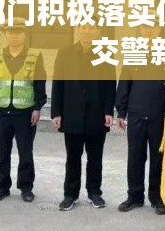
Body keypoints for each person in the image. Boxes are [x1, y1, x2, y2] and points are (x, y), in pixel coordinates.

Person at [115, 18, 165, 216]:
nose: (149, 30)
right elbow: (124, 84)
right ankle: (134, 196)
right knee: (135, 157)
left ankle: (157, 198)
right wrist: (121, 112)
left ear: (159, 29)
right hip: (136, 114)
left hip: (159, 115)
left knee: (158, 159)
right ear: (140, 29)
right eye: (145, 26)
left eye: (153, 26)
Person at [51, 21, 116, 211]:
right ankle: (70, 195)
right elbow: (58, 84)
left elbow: (110, 85)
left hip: (96, 115)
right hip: (72, 114)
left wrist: (108, 111)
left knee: (95, 158)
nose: (87, 31)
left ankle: (94, 192)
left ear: (98, 30)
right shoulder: (65, 53)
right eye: (84, 27)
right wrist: (56, 112)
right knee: (73, 157)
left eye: (91, 28)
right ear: (78, 29)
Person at [0, 17, 47, 204]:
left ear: (25, 34)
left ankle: (26, 188)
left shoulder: (35, 56)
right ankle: (2, 187)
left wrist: (37, 107)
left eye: (18, 32)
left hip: (25, 112)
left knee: (25, 151)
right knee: (2, 152)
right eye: (10, 32)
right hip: (2, 112)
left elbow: (39, 83)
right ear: (5, 34)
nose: (14, 36)